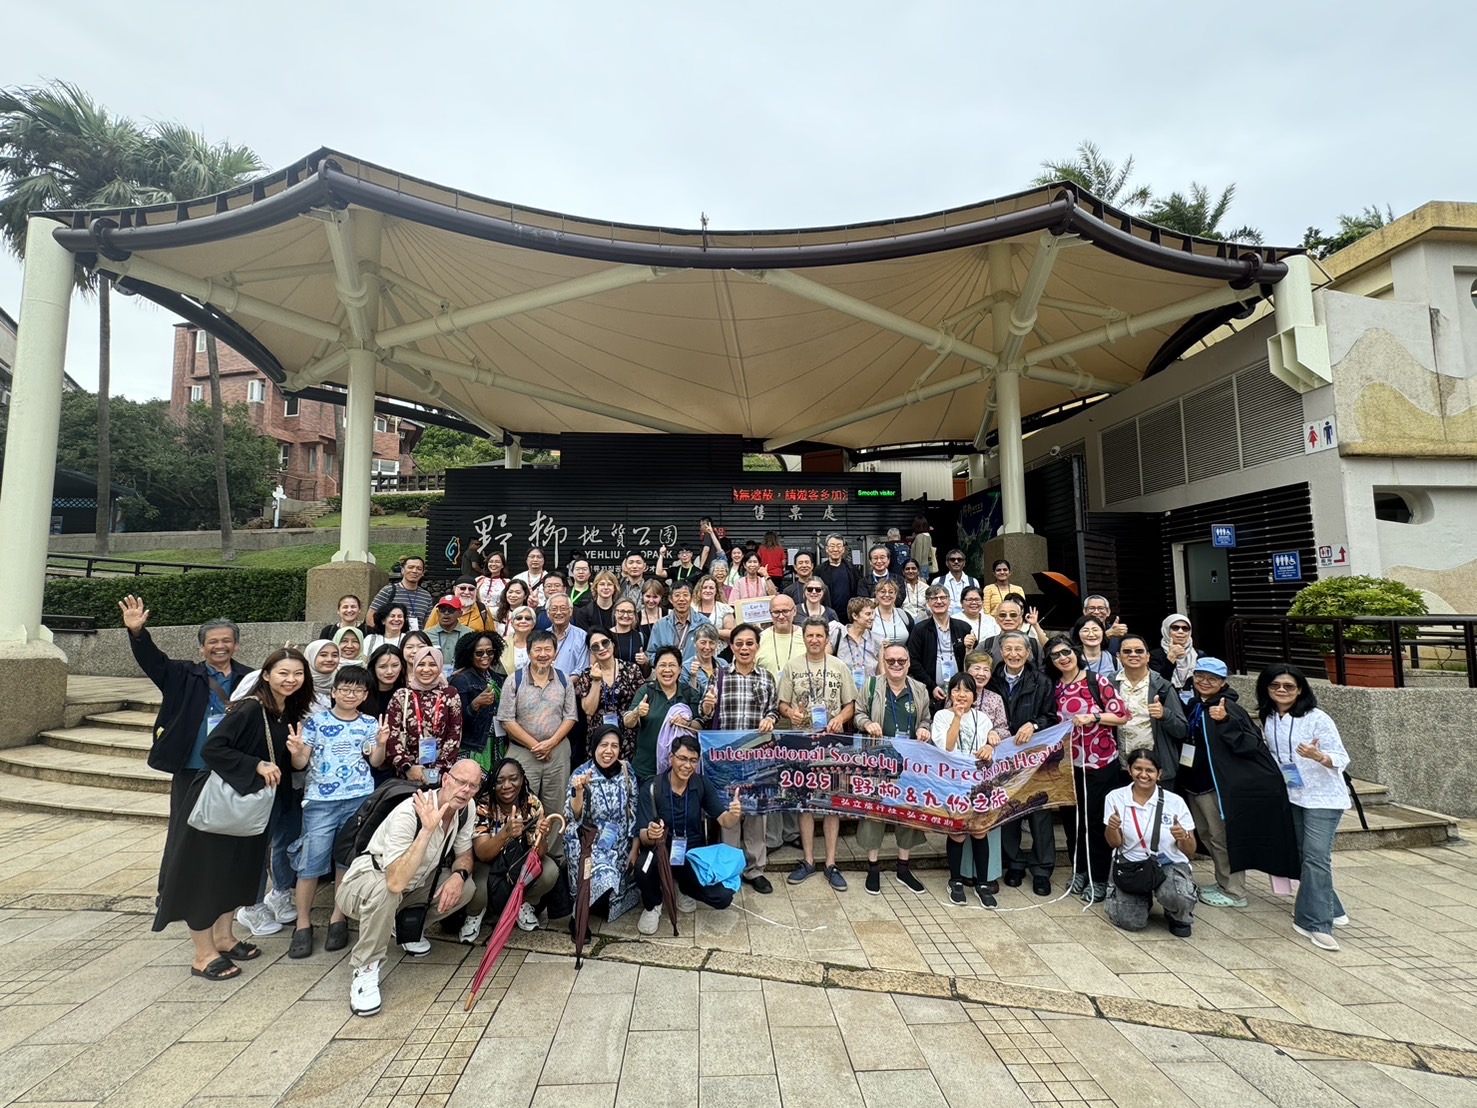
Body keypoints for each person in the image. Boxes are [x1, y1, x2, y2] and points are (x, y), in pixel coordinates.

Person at [153, 647, 311, 980]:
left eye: (298, 673)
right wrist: (256, 765)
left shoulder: (287, 712)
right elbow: (213, 748)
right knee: (207, 875)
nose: (291, 679)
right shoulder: (250, 708)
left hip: (251, 809)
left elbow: (289, 764)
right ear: (266, 675)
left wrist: (297, 755)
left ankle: (224, 938)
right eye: (283, 673)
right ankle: (202, 954)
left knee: (236, 873)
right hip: (220, 807)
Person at [119, 596, 254, 901]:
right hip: (192, 766)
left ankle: (218, 888)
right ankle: (172, 892)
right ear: (201, 648)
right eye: (212, 642)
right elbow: (153, 661)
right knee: (183, 830)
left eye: (227, 641)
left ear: (237, 645)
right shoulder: (183, 674)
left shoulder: (250, 678)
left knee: (227, 831)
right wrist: (138, 633)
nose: (220, 646)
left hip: (232, 767)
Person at [336, 760, 482, 1016]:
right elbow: (394, 880)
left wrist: (459, 876)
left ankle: (401, 928)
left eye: (473, 786)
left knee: (466, 887)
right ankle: (365, 969)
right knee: (386, 891)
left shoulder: (466, 809)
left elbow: (464, 854)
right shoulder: (410, 812)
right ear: (445, 779)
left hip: (413, 884)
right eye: (460, 782)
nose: (465, 790)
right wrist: (427, 830)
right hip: (365, 882)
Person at [1182, 658, 1301, 909]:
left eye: (1212, 678)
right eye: (1200, 676)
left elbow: (1250, 744)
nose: (1205, 682)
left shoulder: (1228, 708)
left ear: (1223, 683)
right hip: (1196, 781)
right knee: (1207, 835)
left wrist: (1225, 721)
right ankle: (1223, 882)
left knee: (1221, 838)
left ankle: (1234, 891)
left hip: (1216, 785)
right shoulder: (1196, 704)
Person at [284, 665, 385, 958]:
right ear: (334, 692)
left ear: (365, 695)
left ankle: (338, 917)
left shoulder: (369, 723)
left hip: (358, 799)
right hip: (320, 802)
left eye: (358, 690)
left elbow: (376, 761)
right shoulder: (316, 722)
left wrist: (381, 743)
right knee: (310, 864)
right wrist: (296, 751)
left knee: (345, 862)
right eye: (345, 689)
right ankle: (303, 924)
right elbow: (301, 763)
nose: (351, 695)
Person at [1256, 664, 1352, 950]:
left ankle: (1315, 922)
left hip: (1323, 797)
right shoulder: (1269, 717)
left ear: (1300, 690)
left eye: (1289, 686)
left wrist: (1319, 756)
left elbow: (1341, 757)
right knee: (1302, 854)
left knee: (1317, 856)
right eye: (1275, 686)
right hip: (1293, 795)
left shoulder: (1317, 718)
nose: (1282, 691)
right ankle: (1333, 907)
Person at [1047, 635, 1130, 903]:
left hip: (1100, 764)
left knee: (1095, 821)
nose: (1063, 658)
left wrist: (1093, 717)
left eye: (1066, 652)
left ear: (1076, 653)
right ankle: (1079, 870)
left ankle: (1099, 877)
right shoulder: (1053, 688)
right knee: (1073, 823)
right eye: (1056, 655)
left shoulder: (1097, 681)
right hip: (1067, 767)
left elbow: (1122, 715)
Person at [633, 733, 743, 934]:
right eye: (682, 758)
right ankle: (654, 903)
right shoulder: (652, 787)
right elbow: (642, 835)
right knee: (642, 867)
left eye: (693, 760)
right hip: (660, 852)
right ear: (671, 758)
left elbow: (725, 821)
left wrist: (734, 814)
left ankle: (684, 887)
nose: (687, 765)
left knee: (722, 897)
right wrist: (651, 833)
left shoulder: (701, 784)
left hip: (691, 854)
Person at [778, 618, 857, 891]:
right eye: (810, 635)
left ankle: (831, 863)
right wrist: (791, 713)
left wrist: (840, 718)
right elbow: (782, 704)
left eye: (819, 636)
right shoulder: (792, 666)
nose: (814, 640)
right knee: (805, 803)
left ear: (827, 639)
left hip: (832, 742)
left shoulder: (839, 666)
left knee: (831, 803)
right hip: (801, 741)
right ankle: (809, 860)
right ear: (804, 638)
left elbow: (850, 705)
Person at [854, 641, 933, 895]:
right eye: (891, 661)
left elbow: (926, 719)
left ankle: (903, 867)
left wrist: (925, 729)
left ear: (908, 663)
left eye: (901, 661)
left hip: (909, 762)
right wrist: (867, 724)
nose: (896, 664)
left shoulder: (919, 689)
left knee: (907, 813)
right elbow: (858, 713)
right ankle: (873, 867)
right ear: (884, 662)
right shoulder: (871, 685)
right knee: (875, 812)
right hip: (878, 760)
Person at [987, 631, 1060, 896]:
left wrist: (1034, 725)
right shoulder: (991, 680)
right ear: (1001, 652)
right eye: (1008, 649)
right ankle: (1014, 863)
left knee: (1039, 811)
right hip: (1004, 758)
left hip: (1035, 756)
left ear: (1028, 653)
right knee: (1008, 811)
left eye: (1019, 649)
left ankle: (1041, 870)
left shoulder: (1042, 681)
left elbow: (1051, 716)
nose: (1014, 654)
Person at [709, 622, 780, 894]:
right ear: (731, 646)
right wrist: (707, 705)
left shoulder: (766, 678)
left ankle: (755, 869)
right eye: (739, 643)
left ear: (757, 647)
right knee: (730, 812)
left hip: (758, 757)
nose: (744, 648)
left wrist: (770, 718)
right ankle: (730, 869)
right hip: (726, 758)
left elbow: (774, 709)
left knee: (756, 814)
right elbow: (706, 712)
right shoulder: (719, 676)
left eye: (750, 643)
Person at [496, 630, 578, 857]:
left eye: (548, 649)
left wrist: (550, 743)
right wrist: (536, 745)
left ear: (555, 653)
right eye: (537, 649)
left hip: (557, 751)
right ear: (529, 652)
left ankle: (553, 857)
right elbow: (506, 720)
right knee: (521, 803)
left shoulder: (563, 680)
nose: (543, 654)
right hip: (523, 753)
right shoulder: (514, 680)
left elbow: (571, 716)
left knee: (555, 804)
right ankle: (521, 854)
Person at [460, 757, 560, 942]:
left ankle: (522, 904)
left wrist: (542, 836)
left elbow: (539, 853)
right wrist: (504, 834)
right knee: (479, 890)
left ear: (522, 779)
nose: (507, 785)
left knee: (550, 870)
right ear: (493, 783)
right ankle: (475, 913)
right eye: (500, 781)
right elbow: (482, 853)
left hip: (518, 861)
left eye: (513, 779)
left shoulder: (531, 803)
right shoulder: (483, 806)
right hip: (488, 865)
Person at [1104, 749, 1198, 937]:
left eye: (1150, 770)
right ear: (1129, 770)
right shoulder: (1115, 797)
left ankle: (1177, 914)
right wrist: (1112, 827)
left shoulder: (1175, 801)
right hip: (1131, 864)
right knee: (1131, 921)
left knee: (1177, 896)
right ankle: (1140, 899)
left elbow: (1190, 851)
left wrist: (1183, 836)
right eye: (1138, 769)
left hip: (1167, 863)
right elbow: (1114, 844)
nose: (1143, 775)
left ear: (1159, 774)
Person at [932, 673, 1006, 907]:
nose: (961, 695)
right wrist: (957, 717)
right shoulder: (941, 716)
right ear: (950, 694)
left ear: (974, 695)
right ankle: (955, 881)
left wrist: (989, 746)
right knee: (957, 832)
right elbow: (947, 746)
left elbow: (990, 745)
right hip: (953, 782)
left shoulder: (982, 719)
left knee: (980, 831)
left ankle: (982, 883)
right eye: (956, 690)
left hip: (979, 781)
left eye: (967, 690)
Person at [563, 726, 640, 942]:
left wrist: (634, 847)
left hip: (619, 842)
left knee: (615, 897)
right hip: (591, 842)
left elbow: (634, 810)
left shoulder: (627, 771)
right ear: (594, 747)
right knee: (605, 876)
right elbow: (573, 814)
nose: (609, 751)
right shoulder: (581, 773)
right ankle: (578, 917)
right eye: (603, 745)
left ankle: (598, 902)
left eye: (614, 746)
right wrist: (579, 791)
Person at [1113, 634, 1188, 790]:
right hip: (1120, 768)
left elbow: (1182, 730)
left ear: (1148, 656)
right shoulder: (1109, 684)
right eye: (1127, 651)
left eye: (1139, 651)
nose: (1133, 654)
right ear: (1119, 657)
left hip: (1156, 769)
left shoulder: (1163, 687)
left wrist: (1164, 715)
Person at [625, 645, 707, 782]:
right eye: (662, 665)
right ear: (655, 668)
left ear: (680, 669)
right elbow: (627, 722)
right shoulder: (647, 690)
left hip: (680, 772)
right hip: (647, 770)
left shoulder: (688, 693)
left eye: (672, 665)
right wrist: (637, 713)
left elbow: (700, 725)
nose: (667, 670)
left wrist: (687, 723)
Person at [385, 646, 464, 786]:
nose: (426, 669)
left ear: (440, 667)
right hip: (406, 776)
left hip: (441, 773)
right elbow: (391, 736)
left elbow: (454, 734)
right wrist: (408, 768)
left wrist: (438, 770)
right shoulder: (401, 696)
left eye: (432, 664)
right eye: (421, 664)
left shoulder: (450, 694)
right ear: (414, 665)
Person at [575, 629, 646, 763]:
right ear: (591, 651)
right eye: (595, 646)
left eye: (605, 643)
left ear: (613, 643)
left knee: (626, 772)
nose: (601, 648)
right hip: (599, 735)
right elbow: (589, 710)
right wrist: (596, 681)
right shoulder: (587, 675)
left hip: (628, 734)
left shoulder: (631, 669)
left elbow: (641, 702)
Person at [450, 631, 506, 769]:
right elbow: (456, 722)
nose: (485, 656)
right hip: (474, 745)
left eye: (490, 652)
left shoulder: (497, 678)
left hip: (497, 741)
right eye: (479, 653)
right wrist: (475, 705)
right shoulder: (461, 680)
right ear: (470, 655)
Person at [907, 584, 971, 705]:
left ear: (949, 601)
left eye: (942, 597)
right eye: (934, 598)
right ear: (928, 603)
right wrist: (932, 686)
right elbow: (913, 661)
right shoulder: (920, 629)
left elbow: (971, 659)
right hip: (930, 691)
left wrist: (970, 647)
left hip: (960, 690)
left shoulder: (964, 628)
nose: (939, 601)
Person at [647, 580, 710, 667]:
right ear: (670, 599)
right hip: (668, 672)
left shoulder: (704, 623)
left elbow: (710, 651)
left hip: (695, 671)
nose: (681, 599)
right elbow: (651, 654)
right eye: (677, 595)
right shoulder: (660, 625)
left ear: (692, 598)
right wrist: (665, 664)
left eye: (685, 595)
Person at [368, 556, 433, 631]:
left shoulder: (426, 596)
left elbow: (429, 624)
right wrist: (382, 635)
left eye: (419, 569)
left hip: (416, 637)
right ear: (402, 570)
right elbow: (370, 617)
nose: (414, 571)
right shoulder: (388, 590)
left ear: (423, 573)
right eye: (410, 567)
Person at [831, 597, 880, 693]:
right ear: (855, 616)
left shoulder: (877, 640)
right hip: (843, 693)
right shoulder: (837, 635)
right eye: (868, 614)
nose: (872, 617)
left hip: (869, 693)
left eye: (873, 613)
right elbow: (825, 662)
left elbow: (881, 672)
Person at [982, 597, 1045, 668]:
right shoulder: (987, 645)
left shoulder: (1034, 644)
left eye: (1013, 615)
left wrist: (1035, 625)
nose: (1008, 618)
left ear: (1020, 619)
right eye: (1002, 615)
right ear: (996, 619)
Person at [1150, 614, 1198, 701]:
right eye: (1175, 628)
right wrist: (1171, 658)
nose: (1180, 632)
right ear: (1166, 630)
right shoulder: (1155, 655)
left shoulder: (1198, 655)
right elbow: (1158, 683)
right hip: (1168, 700)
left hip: (1194, 702)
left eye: (1185, 628)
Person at [756, 594, 802, 677]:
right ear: (770, 613)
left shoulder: (806, 637)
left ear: (794, 611)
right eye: (776, 612)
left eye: (785, 611)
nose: (781, 616)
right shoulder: (759, 639)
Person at [545, 594, 590, 677]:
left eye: (563, 608)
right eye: (554, 609)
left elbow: (581, 669)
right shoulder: (543, 636)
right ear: (548, 613)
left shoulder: (582, 636)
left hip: (572, 684)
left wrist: (564, 683)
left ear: (571, 611)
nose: (558, 612)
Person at [816, 534, 860, 614]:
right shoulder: (819, 570)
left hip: (849, 614)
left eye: (839, 546)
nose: (835, 549)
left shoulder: (852, 569)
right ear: (826, 549)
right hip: (827, 614)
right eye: (832, 546)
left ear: (843, 549)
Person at [683, 623, 728, 700]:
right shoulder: (686, 667)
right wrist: (693, 677)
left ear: (716, 644)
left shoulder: (723, 664)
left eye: (711, 643)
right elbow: (686, 698)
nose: (707, 647)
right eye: (703, 642)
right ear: (695, 643)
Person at [362, 644, 406, 722]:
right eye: (383, 667)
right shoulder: (363, 693)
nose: (389, 672)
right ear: (374, 667)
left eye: (395, 665)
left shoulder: (406, 693)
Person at [932, 548, 980, 615]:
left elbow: (978, 602)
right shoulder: (938, 581)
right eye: (952, 560)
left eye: (959, 559)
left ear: (964, 563)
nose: (956, 562)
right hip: (945, 618)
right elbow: (932, 602)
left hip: (968, 618)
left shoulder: (973, 582)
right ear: (947, 563)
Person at [868, 579, 912, 650]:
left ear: (896, 594)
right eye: (883, 592)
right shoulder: (869, 616)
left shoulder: (905, 616)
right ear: (876, 594)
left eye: (891, 592)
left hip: (900, 656)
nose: (887, 595)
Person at [691, 574, 736, 643]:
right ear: (699, 590)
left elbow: (731, 632)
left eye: (711, 588)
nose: (708, 590)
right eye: (704, 587)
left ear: (716, 591)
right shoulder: (692, 608)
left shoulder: (724, 608)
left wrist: (711, 632)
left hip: (719, 648)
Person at [426, 596, 471, 665]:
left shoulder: (469, 634)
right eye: (442, 609)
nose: (446, 613)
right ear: (437, 612)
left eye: (451, 610)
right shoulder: (427, 634)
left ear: (460, 614)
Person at [609, 599, 649, 671]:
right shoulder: (606, 636)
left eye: (630, 612)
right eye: (621, 611)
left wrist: (645, 662)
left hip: (635, 677)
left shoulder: (641, 637)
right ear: (614, 613)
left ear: (634, 614)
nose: (625, 615)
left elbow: (646, 673)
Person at [499, 605, 539, 673]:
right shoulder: (502, 643)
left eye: (528, 618)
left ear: (533, 624)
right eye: (519, 618)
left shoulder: (541, 642)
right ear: (512, 623)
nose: (523, 621)